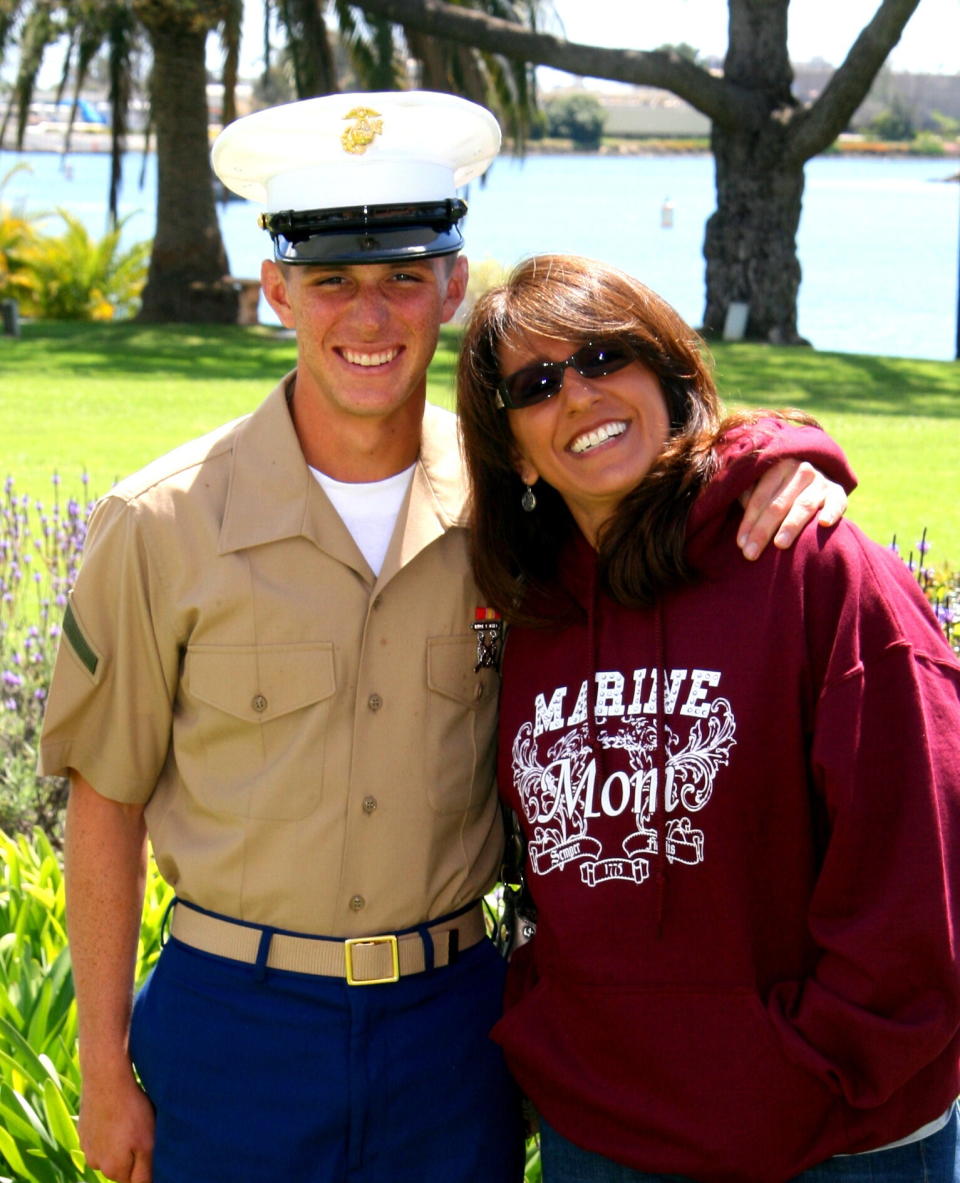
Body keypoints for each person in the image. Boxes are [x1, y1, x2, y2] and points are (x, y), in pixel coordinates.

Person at [40, 93, 850, 1183]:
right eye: (332, 280)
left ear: (454, 286)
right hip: (235, 1024)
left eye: (403, 278)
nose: (368, 319)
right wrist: (101, 1070)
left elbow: (656, 457)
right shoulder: (163, 524)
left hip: (451, 1029)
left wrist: (786, 452)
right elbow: (107, 800)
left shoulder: (522, 501)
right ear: (276, 287)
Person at [456, 253, 960, 1183]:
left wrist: (802, 1074)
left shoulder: (810, 566)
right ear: (516, 451)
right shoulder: (533, 620)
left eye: (606, 356)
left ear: (670, 373)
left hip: (834, 1141)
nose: (577, 394)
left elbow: (918, 866)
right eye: (536, 383)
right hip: (601, 1138)